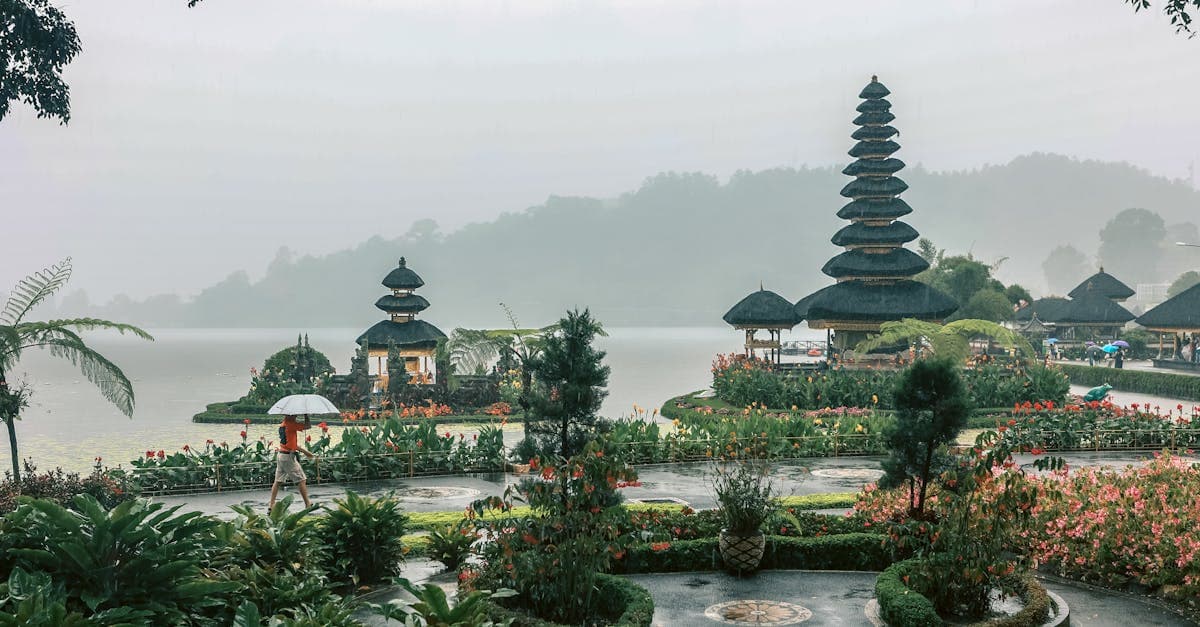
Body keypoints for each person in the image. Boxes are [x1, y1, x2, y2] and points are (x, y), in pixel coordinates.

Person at [268, 414, 315, 509]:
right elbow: (308, 426)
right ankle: (307, 504)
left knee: (277, 481)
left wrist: (306, 452)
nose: (296, 417)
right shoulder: (291, 425)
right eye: (294, 415)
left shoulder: (282, 425)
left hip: (281, 455)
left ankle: (271, 504)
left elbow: (292, 444)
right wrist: (306, 415)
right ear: (290, 416)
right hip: (288, 457)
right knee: (301, 480)